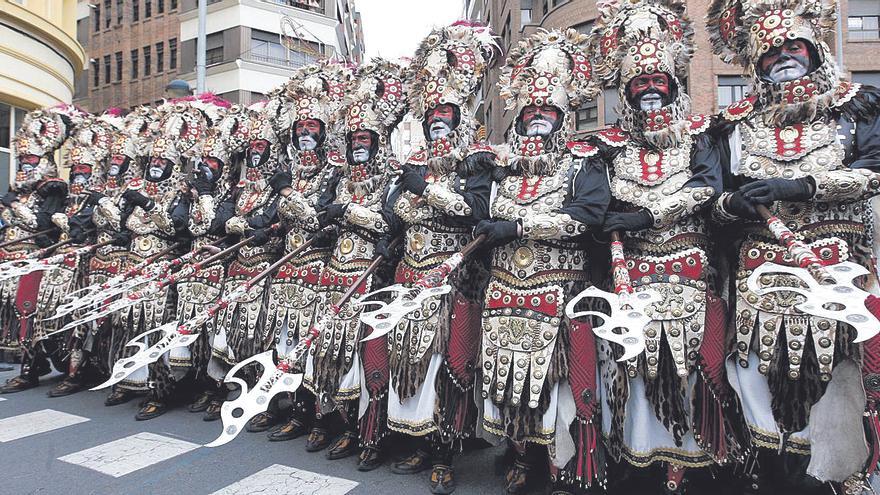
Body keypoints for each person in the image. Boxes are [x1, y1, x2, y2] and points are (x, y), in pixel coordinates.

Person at [707, 0, 880, 492]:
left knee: (840, 368)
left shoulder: (857, 105)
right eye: (770, 51)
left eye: (793, 45)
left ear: (813, 48)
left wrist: (801, 186)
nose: (782, 56)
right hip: (759, 272)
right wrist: (733, 204)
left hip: (836, 265)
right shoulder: (733, 124)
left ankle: (844, 467)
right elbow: (715, 199)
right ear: (756, 62)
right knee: (760, 371)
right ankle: (773, 466)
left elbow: (874, 169)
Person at [587, 2, 741, 493]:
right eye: (638, 85)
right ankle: (638, 451)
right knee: (630, 368)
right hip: (628, 273)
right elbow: (594, 206)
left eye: (658, 83)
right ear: (627, 94)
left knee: (689, 367)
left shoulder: (699, 136)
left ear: (674, 86)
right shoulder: (606, 147)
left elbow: (706, 189)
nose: (650, 92)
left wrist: (650, 214)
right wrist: (606, 221)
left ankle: (687, 459)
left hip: (689, 273)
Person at [473, 29, 610, 495]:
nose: (536, 118)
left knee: (562, 386)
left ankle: (562, 465)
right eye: (529, 110)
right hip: (505, 290)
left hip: (561, 292)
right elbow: (480, 210)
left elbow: (588, 217)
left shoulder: (583, 161)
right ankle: (520, 455)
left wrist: (518, 228)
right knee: (509, 381)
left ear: (562, 116)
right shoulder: (500, 164)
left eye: (546, 111)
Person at [377, 22, 496, 494]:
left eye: (447, 110)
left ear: (460, 112)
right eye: (432, 113)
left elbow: (474, 212)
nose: (439, 119)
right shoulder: (416, 160)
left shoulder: (478, 158)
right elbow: (397, 212)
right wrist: (414, 195)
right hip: (409, 275)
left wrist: (425, 190)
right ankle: (418, 438)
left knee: (452, 362)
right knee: (410, 360)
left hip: (456, 278)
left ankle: (447, 449)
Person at [301, 59, 407, 471]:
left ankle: (370, 431)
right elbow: (320, 218)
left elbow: (390, 222)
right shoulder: (336, 176)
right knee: (331, 350)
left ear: (378, 141)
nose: (359, 144)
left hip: (373, 276)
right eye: (354, 138)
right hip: (334, 273)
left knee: (369, 358)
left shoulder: (393, 175)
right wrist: (330, 216)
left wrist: (350, 212)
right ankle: (333, 419)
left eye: (366, 137)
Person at [262, 59, 355, 441]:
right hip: (285, 270)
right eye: (299, 126)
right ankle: (296, 412)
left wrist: (286, 194)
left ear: (324, 130)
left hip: (319, 272)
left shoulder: (335, 170)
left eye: (311, 126)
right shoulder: (291, 169)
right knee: (284, 344)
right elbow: (273, 219)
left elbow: (320, 220)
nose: (304, 132)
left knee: (314, 347)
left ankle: (322, 418)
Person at [207, 98, 287, 424]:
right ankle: (227, 389)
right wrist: (237, 225)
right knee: (229, 334)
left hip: (265, 271)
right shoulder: (241, 187)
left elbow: (271, 225)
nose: (255, 151)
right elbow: (220, 222)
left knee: (260, 338)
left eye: (261, 145)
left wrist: (249, 227)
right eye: (252, 145)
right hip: (238, 269)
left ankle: (263, 399)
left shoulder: (277, 184)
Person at [0, 105, 83, 393]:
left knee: (27, 313)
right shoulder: (21, 188)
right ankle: (33, 364)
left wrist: (13, 205)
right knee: (13, 314)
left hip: (35, 258)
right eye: (21, 159)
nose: (24, 164)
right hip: (10, 257)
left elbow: (41, 223)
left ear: (43, 159)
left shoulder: (53, 187)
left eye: (30, 159)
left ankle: (30, 370)